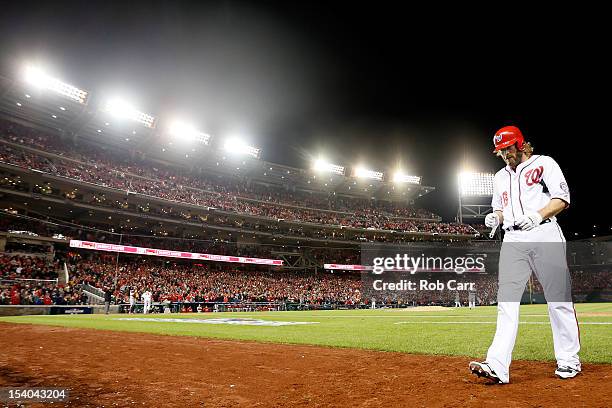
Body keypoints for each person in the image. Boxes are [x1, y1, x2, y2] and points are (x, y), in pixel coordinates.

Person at [469, 126, 580, 384]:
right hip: (514, 239)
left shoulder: (545, 164)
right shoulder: (498, 177)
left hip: (544, 233)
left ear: (521, 144)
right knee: (506, 302)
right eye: (500, 150)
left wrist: (538, 215)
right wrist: (494, 218)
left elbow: (562, 198)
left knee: (558, 300)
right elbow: (500, 209)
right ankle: (497, 365)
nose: (505, 154)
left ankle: (568, 360)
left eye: (508, 148)